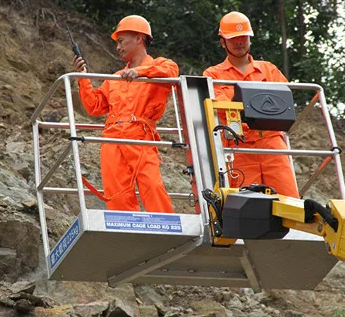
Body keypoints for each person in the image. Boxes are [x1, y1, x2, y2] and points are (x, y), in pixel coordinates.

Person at [73, 15, 179, 213]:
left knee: (152, 187)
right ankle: (128, 235)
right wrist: (83, 78)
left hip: (141, 137)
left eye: (121, 41)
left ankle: (166, 231)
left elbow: (171, 73)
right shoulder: (115, 78)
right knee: (117, 194)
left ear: (139, 38)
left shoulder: (161, 65)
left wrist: (141, 72)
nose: (117, 47)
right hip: (112, 139)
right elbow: (95, 106)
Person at [203, 11, 299, 198]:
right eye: (234, 38)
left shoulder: (268, 69)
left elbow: (284, 103)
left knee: (289, 200)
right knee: (246, 205)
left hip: (272, 143)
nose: (239, 42)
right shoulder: (213, 75)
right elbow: (222, 108)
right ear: (223, 42)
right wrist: (258, 105)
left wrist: (246, 105)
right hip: (238, 146)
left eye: (243, 37)